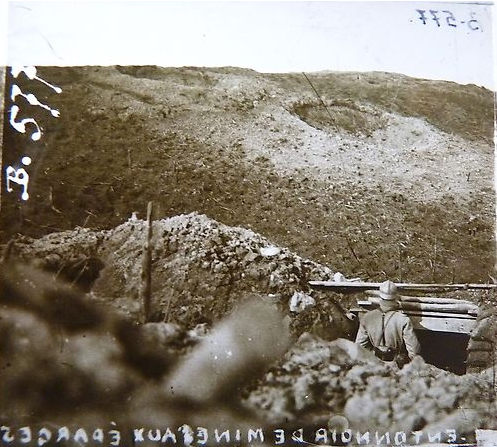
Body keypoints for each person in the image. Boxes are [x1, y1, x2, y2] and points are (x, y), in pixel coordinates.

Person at [355, 280, 420, 367]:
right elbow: (414, 350)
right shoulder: (403, 320)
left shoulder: (367, 317)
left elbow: (359, 347)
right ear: (395, 298)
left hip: (375, 364)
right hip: (395, 365)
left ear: (380, 298)